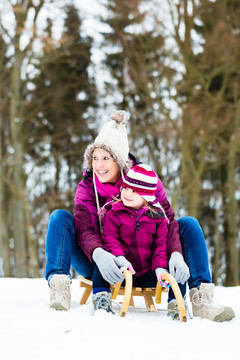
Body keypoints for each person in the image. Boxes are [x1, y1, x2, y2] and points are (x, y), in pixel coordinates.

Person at [45, 110, 235, 321]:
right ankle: (59, 287)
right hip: (101, 263)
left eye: (106, 158)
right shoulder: (87, 186)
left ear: (120, 159)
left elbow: (168, 220)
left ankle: (201, 299)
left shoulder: (145, 181)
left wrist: (175, 253)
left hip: (149, 264)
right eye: (95, 158)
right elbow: (83, 228)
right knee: (59, 218)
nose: (99, 165)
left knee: (188, 224)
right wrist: (99, 254)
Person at [92, 163, 181, 315]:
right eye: (125, 188)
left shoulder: (158, 218)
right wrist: (119, 258)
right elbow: (110, 239)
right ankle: (101, 296)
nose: (127, 193)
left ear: (146, 196)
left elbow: (161, 246)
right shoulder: (114, 213)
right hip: (122, 271)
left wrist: (160, 267)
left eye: (134, 191)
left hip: (149, 272)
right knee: (103, 260)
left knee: (176, 269)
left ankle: (176, 303)